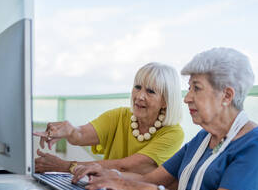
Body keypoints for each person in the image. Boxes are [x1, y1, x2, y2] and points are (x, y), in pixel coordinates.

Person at [72, 48, 258, 190]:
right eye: (189, 88)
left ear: (226, 95)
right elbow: (151, 179)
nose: (187, 98)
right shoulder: (203, 140)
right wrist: (111, 176)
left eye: (196, 89)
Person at [34, 62, 184, 175]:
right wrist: (68, 130)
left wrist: (65, 166)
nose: (139, 96)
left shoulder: (173, 134)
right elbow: (80, 135)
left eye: (150, 91)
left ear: (165, 101)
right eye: (137, 87)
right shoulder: (119, 116)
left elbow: (125, 166)